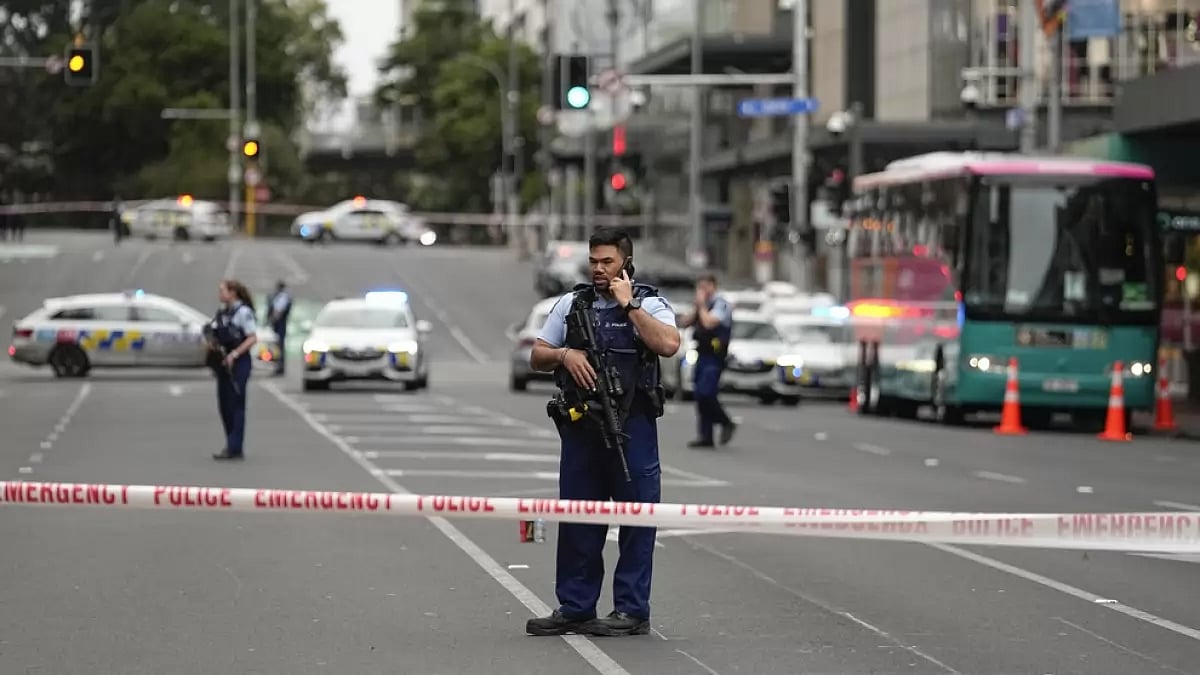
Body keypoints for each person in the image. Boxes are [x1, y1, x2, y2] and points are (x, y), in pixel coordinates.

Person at [526, 227, 681, 638]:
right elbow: (537, 354)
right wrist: (565, 354)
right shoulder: (571, 304)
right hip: (582, 428)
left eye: (607, 261)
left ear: (625, 263)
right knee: (577, 518)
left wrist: (628, 307)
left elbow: (668, 344)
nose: (598, 268)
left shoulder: (650, 303)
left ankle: (632, 610)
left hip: (633, 427)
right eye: (594, 261)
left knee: (637, 520)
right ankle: (575, 607)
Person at [680, 273, 737, 447]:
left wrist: (702, 305)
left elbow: (709, 322)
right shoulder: (702, 305)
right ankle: (706, 436)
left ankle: (726, 421)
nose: (702, 291)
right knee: (699, 395)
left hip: (715, 357)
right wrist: (696, 307)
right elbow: (684, 322)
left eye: (705, 287)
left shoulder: (720, 304)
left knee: (707, 392)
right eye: (700, 287)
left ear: (714, 286)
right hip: (702, 354)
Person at [207, 279, 258, 461]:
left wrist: (235, 354)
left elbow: (252, 338)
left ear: (233, 292)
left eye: (223, 291)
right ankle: (231, 442)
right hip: (223, 360)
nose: (220, 294)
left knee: (236, 403)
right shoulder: (223, 313)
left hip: (239, 361)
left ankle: (234, 446)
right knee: (224, 404)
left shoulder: (243, 312)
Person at [265, 280, 292, 376]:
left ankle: (280, 366)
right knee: (278, 345)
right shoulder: (281, 296)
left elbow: (278, 311)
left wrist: (271, 320)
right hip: (279, 325)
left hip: (280, 325)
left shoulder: (282, 297)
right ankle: (279, 365)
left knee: (279, 345)